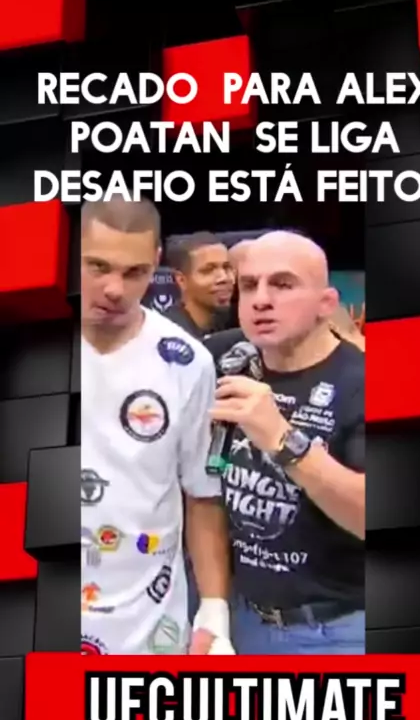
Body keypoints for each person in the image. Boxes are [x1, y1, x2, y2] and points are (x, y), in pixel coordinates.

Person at [81, 196, 233, 655]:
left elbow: (202, 492)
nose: (114, 289)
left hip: (148, 626)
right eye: (97, 266)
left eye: (135, 272)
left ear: (157, 264)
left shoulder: (188, 362)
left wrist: (214, 611)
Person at [206, 231, 365, 655]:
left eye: (282, 284)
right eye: (249, 285)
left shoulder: (363, 383)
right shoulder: (226, 360)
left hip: (336, 631)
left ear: (326, 303)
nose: (260, 300)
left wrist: (283, 440)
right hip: (244, 618)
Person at [163, 231, 235, 338]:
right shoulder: (169, 333)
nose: (224, 278)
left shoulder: (232, 321)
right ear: (182, 280)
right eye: (208, 270)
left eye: (226, 267)